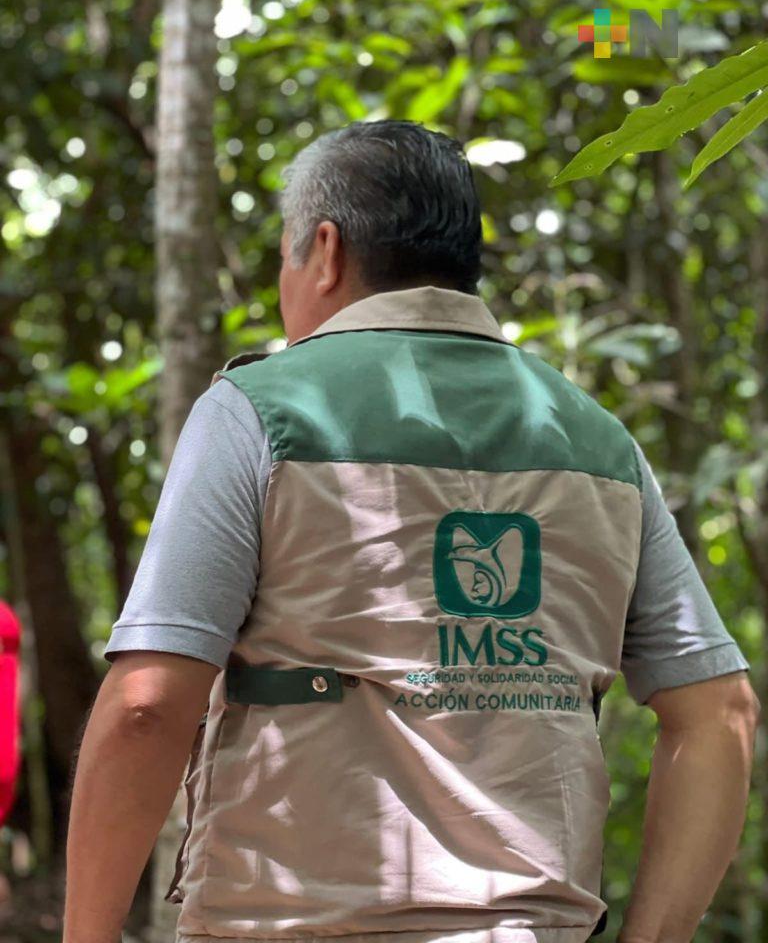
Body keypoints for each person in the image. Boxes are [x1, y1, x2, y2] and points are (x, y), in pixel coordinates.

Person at [64, 121, 759, 943]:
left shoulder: (258, 413)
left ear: (325, 251)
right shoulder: (598, 440)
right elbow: (719, 714)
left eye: (285, 258)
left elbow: (147, 707)